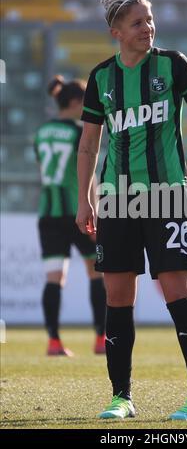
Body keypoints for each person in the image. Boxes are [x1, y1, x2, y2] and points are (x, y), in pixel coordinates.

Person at [76, 0, 187, 420]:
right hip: (117, 199)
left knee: (178, 294)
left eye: (150, 19)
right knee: (118, 298)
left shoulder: (173, 64)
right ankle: (121, 397)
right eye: (138, 23)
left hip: (167, 196)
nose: (148, 27)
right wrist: (85, 199)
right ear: (116, 32)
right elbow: (88, 146)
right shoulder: (101, 77)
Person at [35, 75, 106, 356]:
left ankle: (54, 342)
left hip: (47, 214)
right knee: (95, 273)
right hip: (79, 212)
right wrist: (96, 212)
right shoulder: (80, 131)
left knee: (54, 278)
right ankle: (101, 339)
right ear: (76, 102)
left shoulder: (41, 132)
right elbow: (88, 176)